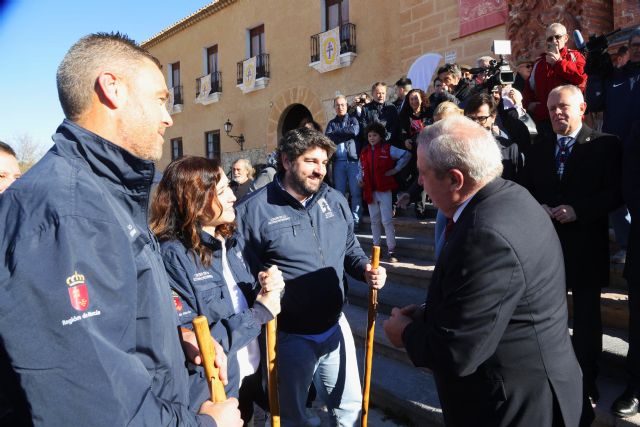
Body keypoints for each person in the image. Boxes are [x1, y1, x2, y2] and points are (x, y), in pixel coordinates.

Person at [0, 32, 242, 427]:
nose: (168, 116)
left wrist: (175, 336)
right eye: (160, 99)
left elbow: (117, 320)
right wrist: (208, 425)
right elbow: (93, 406)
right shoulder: (69, 212)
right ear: (112, 88)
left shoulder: (104, 193)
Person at [383, 115, 584, 427]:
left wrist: (405, 333)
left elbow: (457, 353)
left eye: (422, 174)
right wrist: (431, 312)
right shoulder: (513, 196)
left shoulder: (483, 235)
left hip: (512, 407)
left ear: (455, 179)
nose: (419, 182)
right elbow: (498, 298)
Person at [234, 127, 386, 427]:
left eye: (324, 162)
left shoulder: (334, 199)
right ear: (287, 161)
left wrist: (366, 270)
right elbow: (242, 276)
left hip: (334, 325)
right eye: (311, 161)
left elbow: (349, 248)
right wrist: (261, 286)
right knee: (293, 418)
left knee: (350, 410)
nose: (320, 170)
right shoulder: (253, 211)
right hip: (288, 336)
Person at [150, 156, 285, 425]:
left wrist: (267, 286)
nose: (233, 196)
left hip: (248, 376)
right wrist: (258, 314)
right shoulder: (173, 256)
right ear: (195, 200)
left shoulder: (231, 243)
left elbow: (242, 299)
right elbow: (194, 341)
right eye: (222, 191)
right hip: (213, 392)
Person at [519, 85, 622, 418]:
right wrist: (540, 208)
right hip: (547, 247)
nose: (556, 114)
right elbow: (525, 190)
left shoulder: (605, 145)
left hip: (586, 244)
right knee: (549, 315)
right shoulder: (539, 148)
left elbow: (616, 193)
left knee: (588, 317)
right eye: (550, 109)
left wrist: (580, 210)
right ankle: (552, 375)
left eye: (562, 107)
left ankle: (586, 379)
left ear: (582, 108)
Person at [523, 22, 587, 134]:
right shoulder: (539, 63)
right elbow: (529, 90)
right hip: (545, 121)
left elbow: (581, 78)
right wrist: (531, 106)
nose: (554, 41)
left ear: (566, 38)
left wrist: (558, 63)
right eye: (550, 39)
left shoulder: (574, 56)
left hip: (570, 119)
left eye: (557, 37)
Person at [360, 122, 410, 262]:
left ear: (381, 136)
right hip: (370, 191)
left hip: (384, 190)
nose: (372, 138)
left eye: (375, 135)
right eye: (369, 135)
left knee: (387, 220)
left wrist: (395, 170)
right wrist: (359, 178)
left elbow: (406, 155)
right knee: (374, 221)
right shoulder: (364, 151)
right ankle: (376, 249)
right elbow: (361, 168)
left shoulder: (388, 148)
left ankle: (391, 251)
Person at [463, 92, 522, 181]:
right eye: (471, 119)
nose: (475, 123)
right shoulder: (458, 149)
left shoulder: (510, 149)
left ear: (493, 117)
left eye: (482, 118)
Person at [325, 95, 362, 230]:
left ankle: (356, 221)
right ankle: (342, 221)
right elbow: (328, 137)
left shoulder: (353, 119)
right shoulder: (331, 123)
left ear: (346, 106)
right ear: (334, 107)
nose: (340, 107)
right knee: (339, 194)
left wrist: (337, 134)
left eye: (342, 105)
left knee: (355, 193)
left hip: (353, 162)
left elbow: (354, 131)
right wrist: (344, 134)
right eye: (338, 105)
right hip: (338, 163)